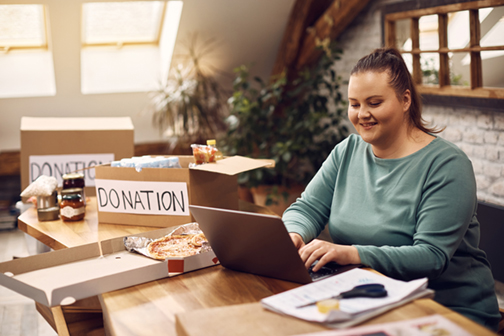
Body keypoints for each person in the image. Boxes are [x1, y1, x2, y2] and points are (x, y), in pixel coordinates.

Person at [283, 47, 501, 331]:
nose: (362, 114)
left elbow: (431, 256)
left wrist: (352, 253)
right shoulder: (346, 151)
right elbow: (307, 208)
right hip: (370, 297)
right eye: (354, 104)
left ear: (405, 99)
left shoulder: (447, 164)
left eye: (374, 102)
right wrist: (293, 234)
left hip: (444, 309)